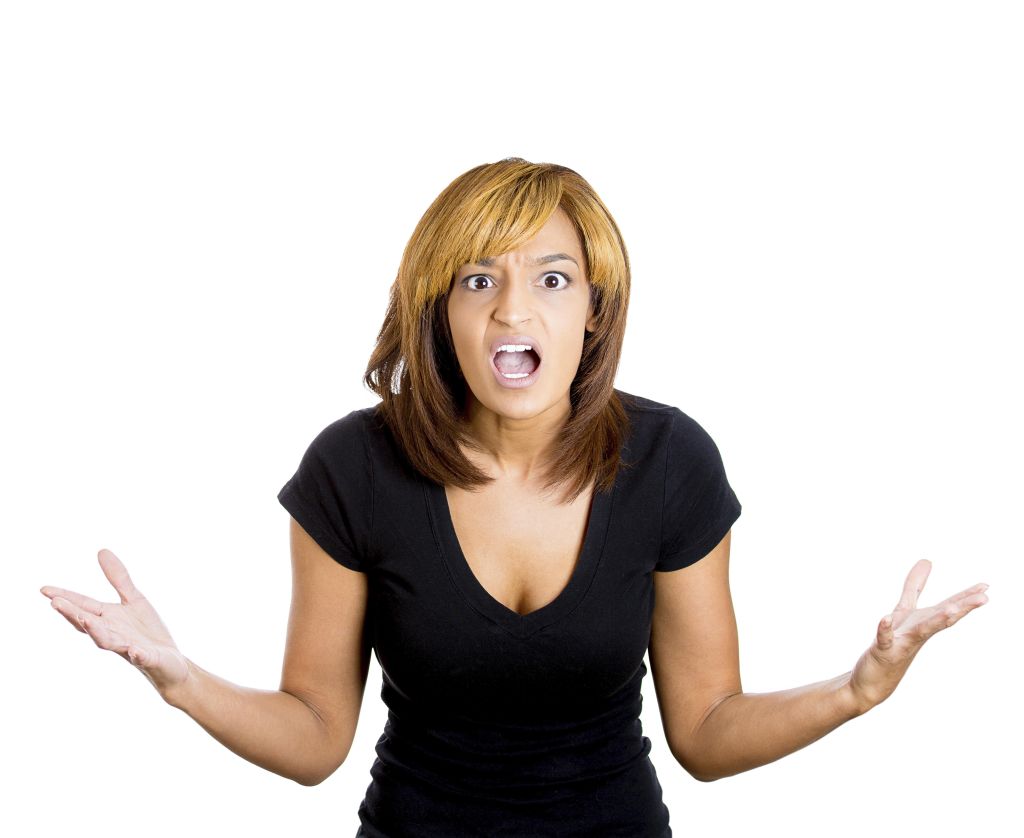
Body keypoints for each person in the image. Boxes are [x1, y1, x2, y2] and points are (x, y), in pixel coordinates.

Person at [41, 158, 990, 837]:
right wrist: (182, 680)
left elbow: (704, 731)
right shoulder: (352, 468)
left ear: (594, 311)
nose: (512, 310)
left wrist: (855, 692)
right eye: (478, 279)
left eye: (551, 278)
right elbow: (317, 736)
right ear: (438, 312)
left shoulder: (669, 459)